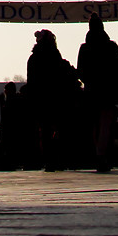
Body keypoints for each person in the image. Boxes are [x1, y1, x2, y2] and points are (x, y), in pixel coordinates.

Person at [25, 30, 79, 169]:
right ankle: (59, 158)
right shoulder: (54, 55)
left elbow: (31, 82)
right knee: (60, 128)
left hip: (41, 99)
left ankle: (49, 160)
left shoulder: (33, 58)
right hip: (56, 97)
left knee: (45, 130)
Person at [77, 16, 118, 172]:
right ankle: (103, 154)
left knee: (94, 125)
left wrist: (89, 81)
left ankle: (96, 154)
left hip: (91, 91)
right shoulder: (111, 46)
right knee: (106, 125)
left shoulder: (84, 48)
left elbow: (81, 71)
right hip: (107, 91)